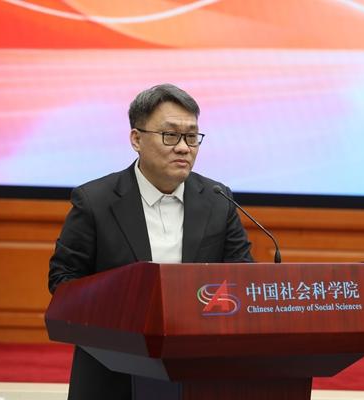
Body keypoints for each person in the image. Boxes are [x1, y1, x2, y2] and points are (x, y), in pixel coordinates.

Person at [48, 83, 253, 399]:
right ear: (136, 139)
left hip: (199, 369)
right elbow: (63, 281)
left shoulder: (217, 199)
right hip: (113, 369)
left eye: (191, 137)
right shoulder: (95, 201)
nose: (183, 148)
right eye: (170, 135)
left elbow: (243, 276)